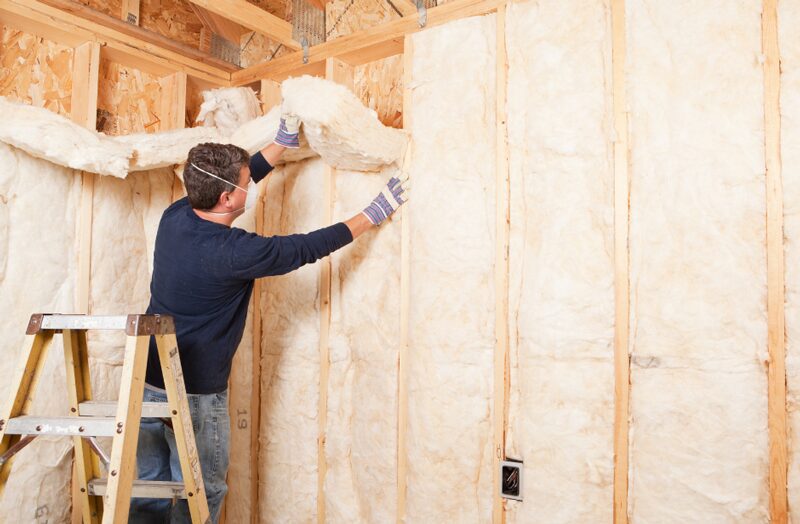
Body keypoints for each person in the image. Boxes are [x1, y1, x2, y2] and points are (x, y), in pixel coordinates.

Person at [129, 114, 408, 523]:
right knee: (201, 491)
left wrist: (279, 144)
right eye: (244, 183)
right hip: (197, 396)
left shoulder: (176, 216)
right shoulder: (236, 252)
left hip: (147, 378)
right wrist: (373, 213)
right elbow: (307, 247)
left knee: (149, 485)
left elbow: (232, 180)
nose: (249, 185)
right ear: (226, 199)